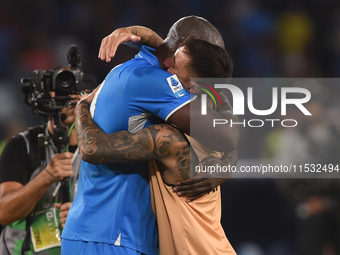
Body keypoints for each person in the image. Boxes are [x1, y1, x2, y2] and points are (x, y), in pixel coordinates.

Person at [62, 16, 238, 255]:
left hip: (107, 230)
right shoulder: (159, 83)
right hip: (113, 234)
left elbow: (224, 135)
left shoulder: (131, 70)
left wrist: (134, 31)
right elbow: (227, 136)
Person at [0, 95, 82, 255]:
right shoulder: (23, 144)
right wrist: (46, 176)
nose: (72, 97)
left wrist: (84, 217)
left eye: (78, 89)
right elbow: (4, 213)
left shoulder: (101, 149)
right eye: (63, 89)